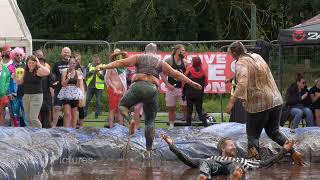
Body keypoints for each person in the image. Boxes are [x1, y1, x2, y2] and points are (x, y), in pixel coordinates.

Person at [100, 43, 202, 157]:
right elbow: (176, 74)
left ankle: (130, 121)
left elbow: (120, 63)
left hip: (137, 86)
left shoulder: (139, 57)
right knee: (150, 122)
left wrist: (104, 67)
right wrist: (192, 83)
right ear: (156, 52)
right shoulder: (160, 62)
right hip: (151, 89)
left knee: (122, 106)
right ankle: (149, 150)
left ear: (145, 51)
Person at [225, 41, 304, 164]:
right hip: (275, 100)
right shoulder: (257, 56)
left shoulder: (240, 63)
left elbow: (242, 82)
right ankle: (294, 152)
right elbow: (253, 72)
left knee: (252, 136)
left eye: (231, 55)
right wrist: (232, 78)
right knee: (274, 132)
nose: (232, 57)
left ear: (235, 54)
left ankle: (254, 163)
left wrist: (231, 102)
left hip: (259, 104)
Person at [160, 133, 296, 180]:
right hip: (212, 164)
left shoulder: (242, 160)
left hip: (235, 165)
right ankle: (203, 176)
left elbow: (265, 163)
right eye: (231, 145)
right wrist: (172, 145)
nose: (235, 147)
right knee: (204, 164)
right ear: (222, 149)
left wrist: (284, 150)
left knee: (236, 166)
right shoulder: (210, 158)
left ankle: (234, 176)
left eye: (234, 145)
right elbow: (188, 160)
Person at [14, 55, 50, 128]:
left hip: (36, 96)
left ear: (36, 63)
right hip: (26, 96)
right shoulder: (25, 71)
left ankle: (40, 133)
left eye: (33, 63)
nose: (31, 64)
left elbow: (47, 72)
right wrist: (15, 77)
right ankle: (32, 134)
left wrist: (39, 65)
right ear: (27, 63)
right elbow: (19, 82)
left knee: (33, 118)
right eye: (29, 63)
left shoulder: (38, 71)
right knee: (28, 118)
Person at [161, 44, 188, 129]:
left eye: (184, 51)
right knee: (171, 108)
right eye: (183, 50)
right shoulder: (169, 60)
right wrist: (167, 84)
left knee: (185, 107)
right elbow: (162, 72)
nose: (184, 52)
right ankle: (171, 125)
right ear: (177, 50)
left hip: (182, 89)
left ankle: (186, 124)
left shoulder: (185, 62)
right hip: (171, 88)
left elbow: (188, 75)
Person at [58, 57, 84, 128]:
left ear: (75, 64)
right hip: (66, 92)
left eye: (74, 63)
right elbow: (63, 84)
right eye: (71, 63)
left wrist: (79, 79)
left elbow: (78, 86)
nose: (72, 64)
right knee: (67, 113)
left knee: (74, 113)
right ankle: (66, 129)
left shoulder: (78, 72)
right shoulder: (64, 71)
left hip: (75, 94)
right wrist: (68, 78)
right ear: (68, 63)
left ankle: (73, 129)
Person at [105, 49, 128, 128]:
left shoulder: (123, 66)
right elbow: (107, 79)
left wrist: (124, 90)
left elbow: (126, 54)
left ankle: (120, 127)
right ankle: (111, 127)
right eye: (116, 54)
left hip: (122, 91)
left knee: (120, 110)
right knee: (112, 109)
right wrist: (114, 88)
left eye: (119, 54)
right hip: (113, 90)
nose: (118, 55)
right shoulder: (111, 66)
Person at [183, 56, 208, 127]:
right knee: (200, 111)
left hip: (189, 94)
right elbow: (206, 83)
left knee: (189, 112)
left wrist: (183, 92)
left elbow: (184, 80)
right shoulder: (203, 71)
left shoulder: (189, 70)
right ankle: (206, 126)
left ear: (193, 62)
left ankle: (187, 127)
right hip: (199, 95)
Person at [51, 47, 71, 127]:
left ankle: (67, 128)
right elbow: (52, 78)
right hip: (59, 89)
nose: (66, 54)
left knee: (68, 110)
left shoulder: (73, 63)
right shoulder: (57, 64)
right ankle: (54, 126)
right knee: (56, 107)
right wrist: (51, 89)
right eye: (65, 52)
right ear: (61, 53)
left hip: (70, 90)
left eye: (68, 52)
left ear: (70, 53)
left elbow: (79, 76)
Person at [85, 54, 105, 119]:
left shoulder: (103, 66)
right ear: (93, 60)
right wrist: (93, 71)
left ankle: (97, 115)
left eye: (98, 59)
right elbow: (86, 75)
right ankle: (84, 114)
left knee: (98, 102)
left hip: (99, 88)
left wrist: (98, 73)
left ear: (99, 60)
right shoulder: (89, 65)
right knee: (87, 101)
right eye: (95, 59)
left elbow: (105, 78)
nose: (96, 61)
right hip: (90, 87)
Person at [39, 57, 54, 128]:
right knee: (38, 116)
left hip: (46, 96)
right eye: (39, 62)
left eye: (42, 62)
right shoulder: (33, 72)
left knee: (47, 116)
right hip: (36, 96)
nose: (41, 63)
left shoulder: (48, 73)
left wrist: (55, 84)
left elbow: (52, 83)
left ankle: (48, 132)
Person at [75, 52, 86, 127]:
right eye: (76, 59)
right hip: (73, 89)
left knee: (81, 107)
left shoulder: (83, 68)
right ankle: (74, 124)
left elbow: (84, 77)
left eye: (79, 59)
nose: (78, 60)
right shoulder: (70, 67)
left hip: (81, 89)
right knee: (74, 107)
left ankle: (81, 125)